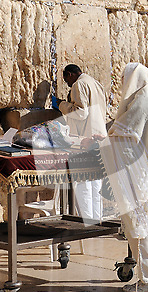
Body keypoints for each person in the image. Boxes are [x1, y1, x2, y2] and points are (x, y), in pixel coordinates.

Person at [100, 63, 148, 292]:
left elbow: (121, 133)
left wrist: (101, 137)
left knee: (139, 228)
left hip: (143, 176)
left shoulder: (143, 101)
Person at [58, 64, 107, 221]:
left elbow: (81, 112)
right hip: (98, 137)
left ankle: (87, 221)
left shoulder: (79, 84)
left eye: (66, 79)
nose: (67, 83)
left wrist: (61, 104)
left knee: (83, 184)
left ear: (71, 74)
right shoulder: (95, 83)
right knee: (95, 183)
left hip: (85, 140)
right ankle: (96, 220)